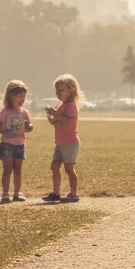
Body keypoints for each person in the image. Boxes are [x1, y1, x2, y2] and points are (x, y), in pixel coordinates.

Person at [42, 73, 80, 203]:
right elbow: (60, 123)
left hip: (70, 143)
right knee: (54, 166)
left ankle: (73, 194)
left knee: (69, 169)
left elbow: (68, 121)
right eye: (57, 91)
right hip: (60, 142)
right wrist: (54, 120)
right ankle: (56, 192)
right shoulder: (61, 105)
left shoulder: (71, 106)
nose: (59, 93)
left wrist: (56, 114)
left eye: (62, 90)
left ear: (71, 90)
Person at [0, 79, 33, 202]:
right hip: (7, 144)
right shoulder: (4, 112)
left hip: (20, 144)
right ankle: (5, 193)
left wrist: (29, 127)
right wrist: (9, 130)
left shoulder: (24, 112)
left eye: (24, 97)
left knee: (18, 170)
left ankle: (17, 193)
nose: (23, 99)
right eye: (20, 96)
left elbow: (28, 127)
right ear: (12, 96)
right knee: (7, 169)